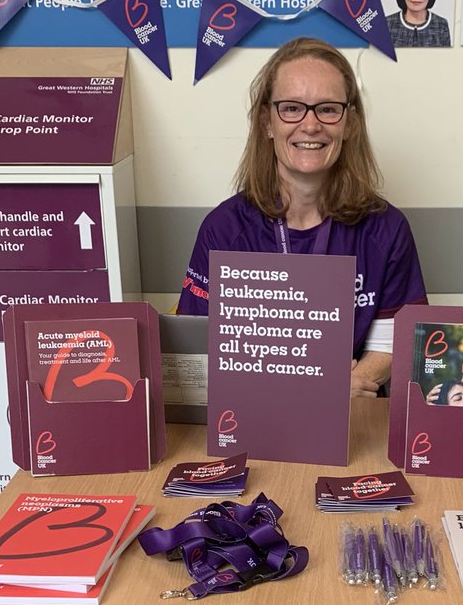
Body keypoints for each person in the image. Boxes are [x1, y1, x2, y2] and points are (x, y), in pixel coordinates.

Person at [177, 37, 428, 398]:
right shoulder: (224, 230)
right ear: (267, 121)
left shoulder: (387, 229)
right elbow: (198, 351)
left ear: (350, 123)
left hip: (352, 417)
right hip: (251, 415)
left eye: (327, 109)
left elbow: (394, 342)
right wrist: (307, 390)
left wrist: (344, 387)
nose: (310, 126)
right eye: (292, 108)